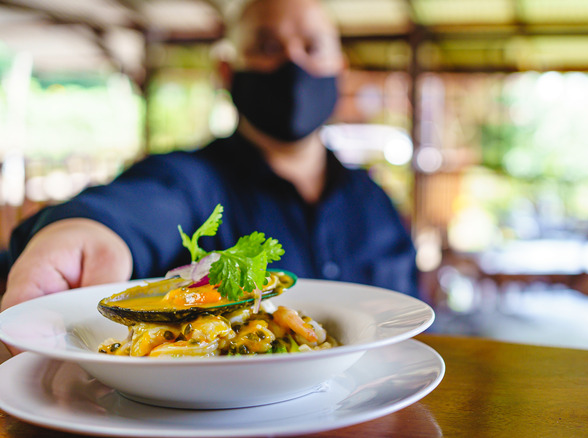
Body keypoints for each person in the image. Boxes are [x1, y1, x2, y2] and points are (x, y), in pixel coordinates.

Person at [0, 0, 418, 312]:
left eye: (312, 47)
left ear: (339, 68)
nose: (293, 61)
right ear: (227, 71)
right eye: (268, 46)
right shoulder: (192, 182)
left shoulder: (374, 202)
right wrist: (88, 230)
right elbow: (143, 204)